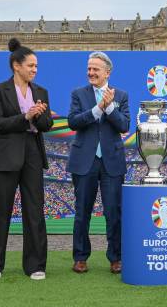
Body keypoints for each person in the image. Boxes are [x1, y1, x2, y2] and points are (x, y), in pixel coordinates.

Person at [0, 38, 53, 280]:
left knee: (35, 210)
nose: (35, 70)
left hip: (33, 154)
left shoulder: (41, 92)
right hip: (6, 156)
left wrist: (38, 116)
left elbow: (47, 125)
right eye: (31, 65)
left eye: (36, 66)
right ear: (17, 65)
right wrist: (25, 116)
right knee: (0, 211)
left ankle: (36, 265)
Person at [66, 52, 130, 274]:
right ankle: (80, 257)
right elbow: (73, 121)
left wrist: (110, 107)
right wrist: (98, 108)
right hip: (84, 161)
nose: (91, 73)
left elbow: (124, 126)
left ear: (107, 72)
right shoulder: (78, 94)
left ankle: (116, 258)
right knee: (82, 212)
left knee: (114, 212)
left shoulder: (121, 95)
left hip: (111, 162)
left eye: (96, 69)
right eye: (89, 68)